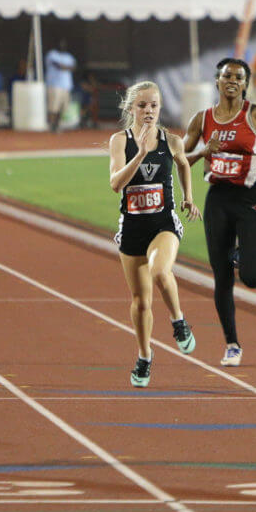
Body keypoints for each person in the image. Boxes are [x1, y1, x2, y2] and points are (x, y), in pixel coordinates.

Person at [183, 58, 256, 367]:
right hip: (218, 199)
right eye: (226, 75)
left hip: (250, 199)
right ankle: (232, 344)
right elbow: (181, 160)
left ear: (246, 83)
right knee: (221, 278)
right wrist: (204, 152)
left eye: (239, 77)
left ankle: (238, 255)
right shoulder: (202, 119)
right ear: (216, 81)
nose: (232, 80)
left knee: (253, 278)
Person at [109, 81, 200, 387]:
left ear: (160, 108)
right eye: (142, 105)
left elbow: (184, 164)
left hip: (163, 223)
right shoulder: (119, 141)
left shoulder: (171, 141)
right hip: (133, 227)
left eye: (154, 105)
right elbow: (116, 184)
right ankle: (145, 355)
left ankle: (178, 322)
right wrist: (140, 155)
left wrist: (188, 196)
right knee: (141, 301)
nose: (148, 111)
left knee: (161, 273)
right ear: (131, 108)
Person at [45, 39, 76, 132]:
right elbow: (58, 65)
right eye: (60, 44)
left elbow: (73, 67)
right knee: (53, 107)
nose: (62, 46)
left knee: (62, 107)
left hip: (66, 86)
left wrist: (65, 67)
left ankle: (57, 125)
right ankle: (51, 125)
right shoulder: (52, 54)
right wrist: (66, 67)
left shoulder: (68, 56)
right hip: (54, 85)